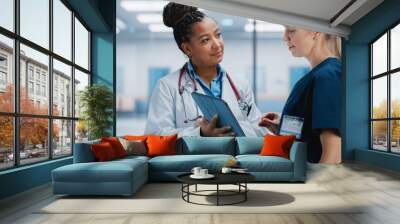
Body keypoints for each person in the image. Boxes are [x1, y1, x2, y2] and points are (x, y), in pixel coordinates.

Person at [145, 3, 269, 137]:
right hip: (196, 158)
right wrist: (199, 133)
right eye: (205, 40)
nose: (217, 44)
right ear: (187, 48)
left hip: (234, 157)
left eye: (218, 35)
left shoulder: (239, 84)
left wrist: (233, 127)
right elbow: (155, 136)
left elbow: (260, 129)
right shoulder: (167, 87)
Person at [259, 26, 342, 164]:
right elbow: (311, 134)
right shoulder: (316, 76)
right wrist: (282, 126)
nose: (284, 37)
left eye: (291, 30)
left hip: (310, 176)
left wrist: (313, 185)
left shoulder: (327, 77)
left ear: (315, 31)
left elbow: (333, 156)